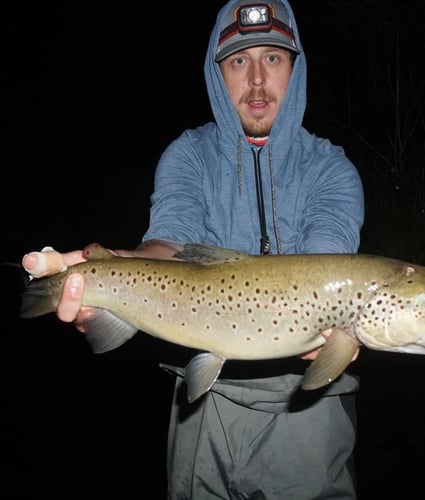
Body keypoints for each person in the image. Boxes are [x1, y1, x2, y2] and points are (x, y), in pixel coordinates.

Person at [23, 0, 364, 498]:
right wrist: (109, 270)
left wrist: (332, 335)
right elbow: (166, 246)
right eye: (238, 62)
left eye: (272, 59)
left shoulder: (332, 170)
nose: (255, 82)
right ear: (216, 73)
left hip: (309, 408)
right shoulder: (188, 155)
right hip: (204, 403)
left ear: (297, 68)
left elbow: (326, 268)